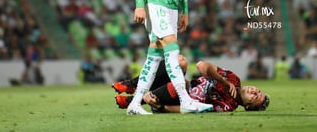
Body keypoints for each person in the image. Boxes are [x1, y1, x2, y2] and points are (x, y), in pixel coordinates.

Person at [113, 56, 270, 113]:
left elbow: (193, 109)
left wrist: (162, 108)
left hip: (176, 98)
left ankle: (133, 100)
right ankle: (132, 85)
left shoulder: (228, 106)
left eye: (255, 96)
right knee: (180, 61)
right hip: (182, 85)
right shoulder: (233, 79)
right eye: (258, 91)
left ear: (248, 106)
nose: (254, 90)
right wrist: (224, 81)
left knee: (177, 86)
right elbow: (201, 66)